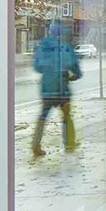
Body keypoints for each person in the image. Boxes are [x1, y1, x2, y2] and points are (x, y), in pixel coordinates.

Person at [31, 22, 81, 157]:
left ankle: (35, 144)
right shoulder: (65, 47)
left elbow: (37, 67)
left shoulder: (42, 47)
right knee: (66, 116)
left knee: (43, 115)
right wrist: (75, 75)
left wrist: (48, 70)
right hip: (62, 89)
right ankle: (70, 143)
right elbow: (73, 66)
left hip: (46, 88)